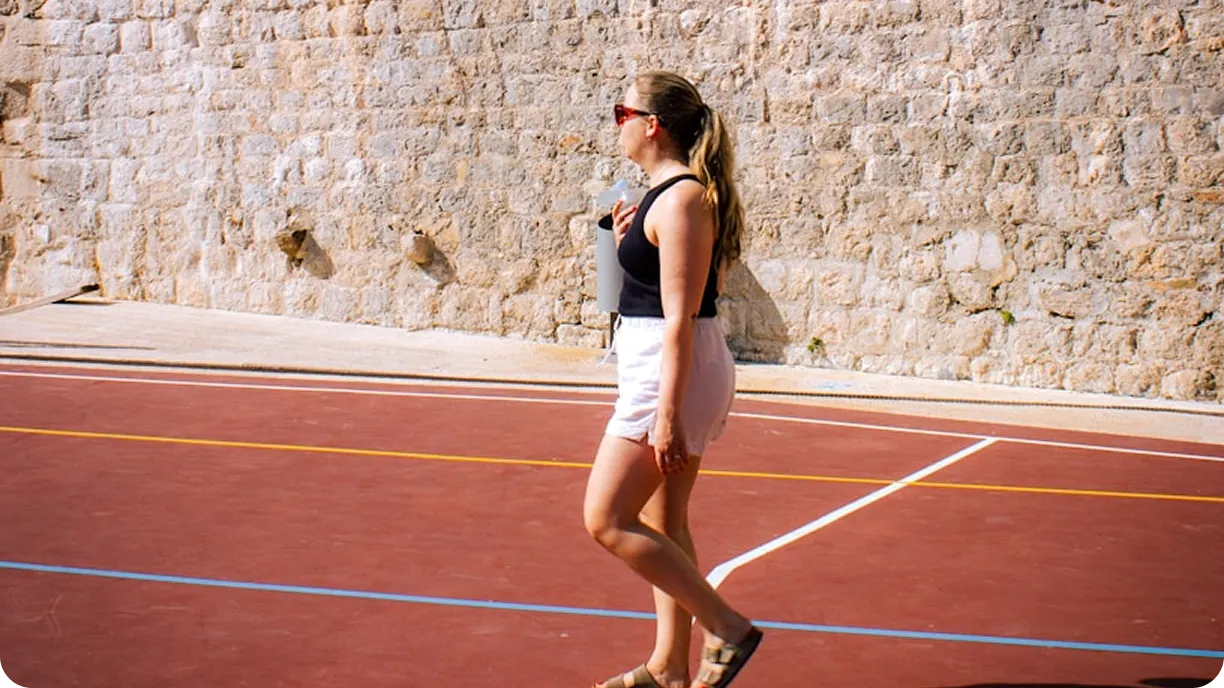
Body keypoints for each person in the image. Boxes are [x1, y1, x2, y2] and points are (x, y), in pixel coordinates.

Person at [583, 71, 763, 688]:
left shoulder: (684, 198)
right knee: (664, 522)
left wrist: (665, 414)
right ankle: (667, 669)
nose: (619, 124)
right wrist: (629, 238)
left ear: (651, 124)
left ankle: (729, 627)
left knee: (605, 518)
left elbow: (681, 316)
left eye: (621, 112)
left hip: (670, 369)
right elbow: (645, 290)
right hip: (656, 360)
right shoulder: (663, 196)